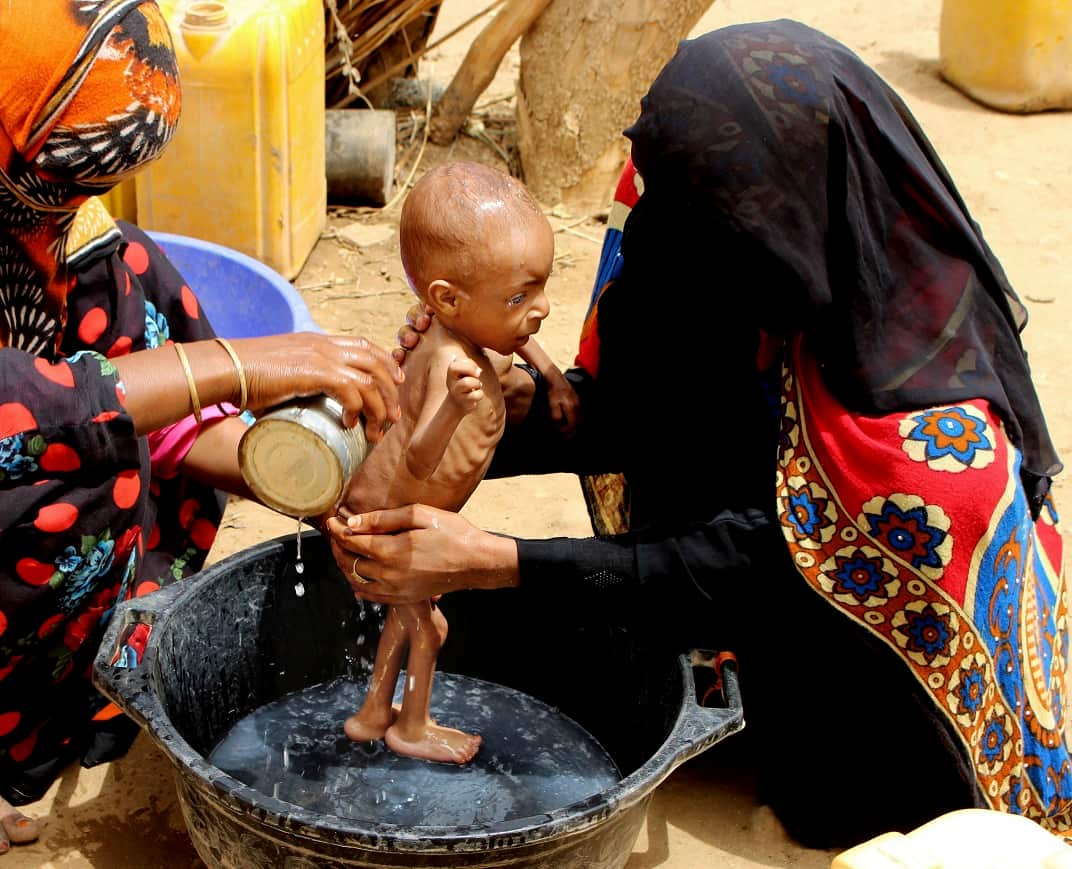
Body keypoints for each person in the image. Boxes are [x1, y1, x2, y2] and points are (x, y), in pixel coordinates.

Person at [328, 18, 1069, 849]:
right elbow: (648, 411)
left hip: (875, 663)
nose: (668, 224)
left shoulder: (922, 410)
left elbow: (775, 563)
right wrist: (473, 420)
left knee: (834, 796)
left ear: (782, 199)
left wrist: (498, 562)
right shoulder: (708, 239)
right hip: (763, 538)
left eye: (703, 204)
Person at [0, 0, 401, 859]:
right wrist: (232, 363)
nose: (64, 205)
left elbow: (156, 398)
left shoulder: (16, 179)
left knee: (134, 310)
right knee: (90, 460)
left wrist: (311, 475)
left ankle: (54, 692)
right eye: (52, 179)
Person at [336, 161, 554, 764]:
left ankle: (373, 710)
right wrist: (453, 409)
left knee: (407, 621)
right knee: (429, 626)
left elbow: (515, 335)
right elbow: (419, 454)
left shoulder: (472, 323)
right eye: (520, 296)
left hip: (400, 511)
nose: (541, 310)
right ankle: (411, 725)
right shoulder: (445, 362)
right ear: (447, 300)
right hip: (387, 517)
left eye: (540, 287)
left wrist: (555, 378)